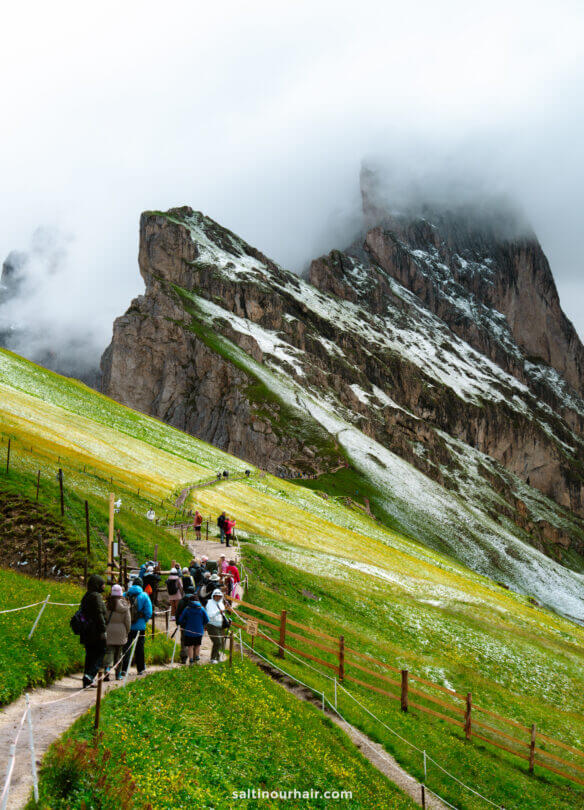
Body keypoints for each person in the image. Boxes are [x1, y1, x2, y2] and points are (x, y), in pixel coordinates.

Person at [120, 577, 153, 677]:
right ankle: (140, 669)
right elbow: (149, 612)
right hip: (140, 626)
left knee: (126, 647)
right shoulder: (144, 595)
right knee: (140, 648)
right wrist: (144, 620)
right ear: (141, 585)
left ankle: (124, 669)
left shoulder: (125, 594)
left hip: (127, 626)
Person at [80, 574, 107, 688]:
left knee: (90, 655)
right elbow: (99, 615)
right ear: (97, 585)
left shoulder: (86, 596)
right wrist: (103, 629)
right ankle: (90, 676)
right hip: (95, 631)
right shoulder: (96, 597)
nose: (104, 586)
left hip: (86, 631)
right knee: (101, 652)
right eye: (102, 584)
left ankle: (87, 680)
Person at [104, 584, 131, 681]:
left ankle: (107, 670)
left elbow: (105, 618)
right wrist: (127, 631)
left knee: (109, 652)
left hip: (109, 630)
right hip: (121, 631)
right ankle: (118, 674)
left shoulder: (107, 604)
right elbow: (128, 621)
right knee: (119, 654)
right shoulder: (125, 605)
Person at [177, 594, 209, 664]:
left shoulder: (187, 609)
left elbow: (181, 619)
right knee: (197, 645)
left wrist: (185, 622)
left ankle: (191, 660)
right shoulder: (201, 608)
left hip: (189, 630)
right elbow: (207, 619)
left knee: (190, 646)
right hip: (199, 630)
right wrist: (202, 623)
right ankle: (197, 659)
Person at [206, 589, 228, 663]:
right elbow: (210, 615)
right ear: (213, 596)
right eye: (216, 596)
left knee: (221, 642)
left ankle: (218, 657)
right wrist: (218, 612)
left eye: (219, 596)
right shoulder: (209, 603)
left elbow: (223, 614)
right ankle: (213, 658)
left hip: (220, 625)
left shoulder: (221, 603)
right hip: (212, 625)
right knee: (217, 642)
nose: (218, 597)